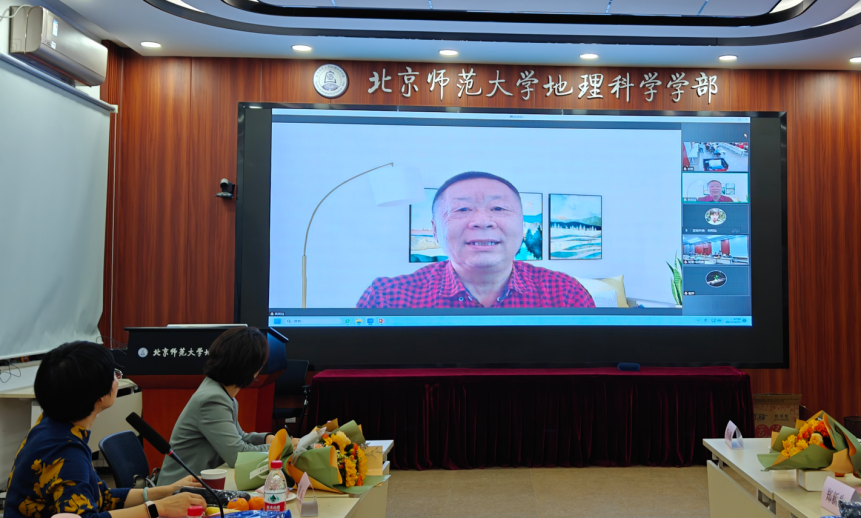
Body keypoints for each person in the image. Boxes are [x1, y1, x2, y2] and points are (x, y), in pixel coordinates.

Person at [5, 342, 206, 518]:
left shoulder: (51, 425)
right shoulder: (66, 451)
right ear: (99, 396)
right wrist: (159, 508)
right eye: (113, 374)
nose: (118, 378)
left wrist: (167, 491)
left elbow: (101, 497)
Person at [357, 171, 595, 308]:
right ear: (435, 230)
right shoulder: (387, 298)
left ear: (522, 225)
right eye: (462, 209)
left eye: (498, 208)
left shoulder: (565, 294)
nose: (482, 221)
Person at [157, 327, 282, 486]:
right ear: (252, 368)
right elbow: (237, 455)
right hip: (179, 490)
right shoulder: (213, 399)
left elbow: (239, 437)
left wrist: (267, 438)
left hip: (200, 485)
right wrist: (279, 447)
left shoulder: (220, 393)